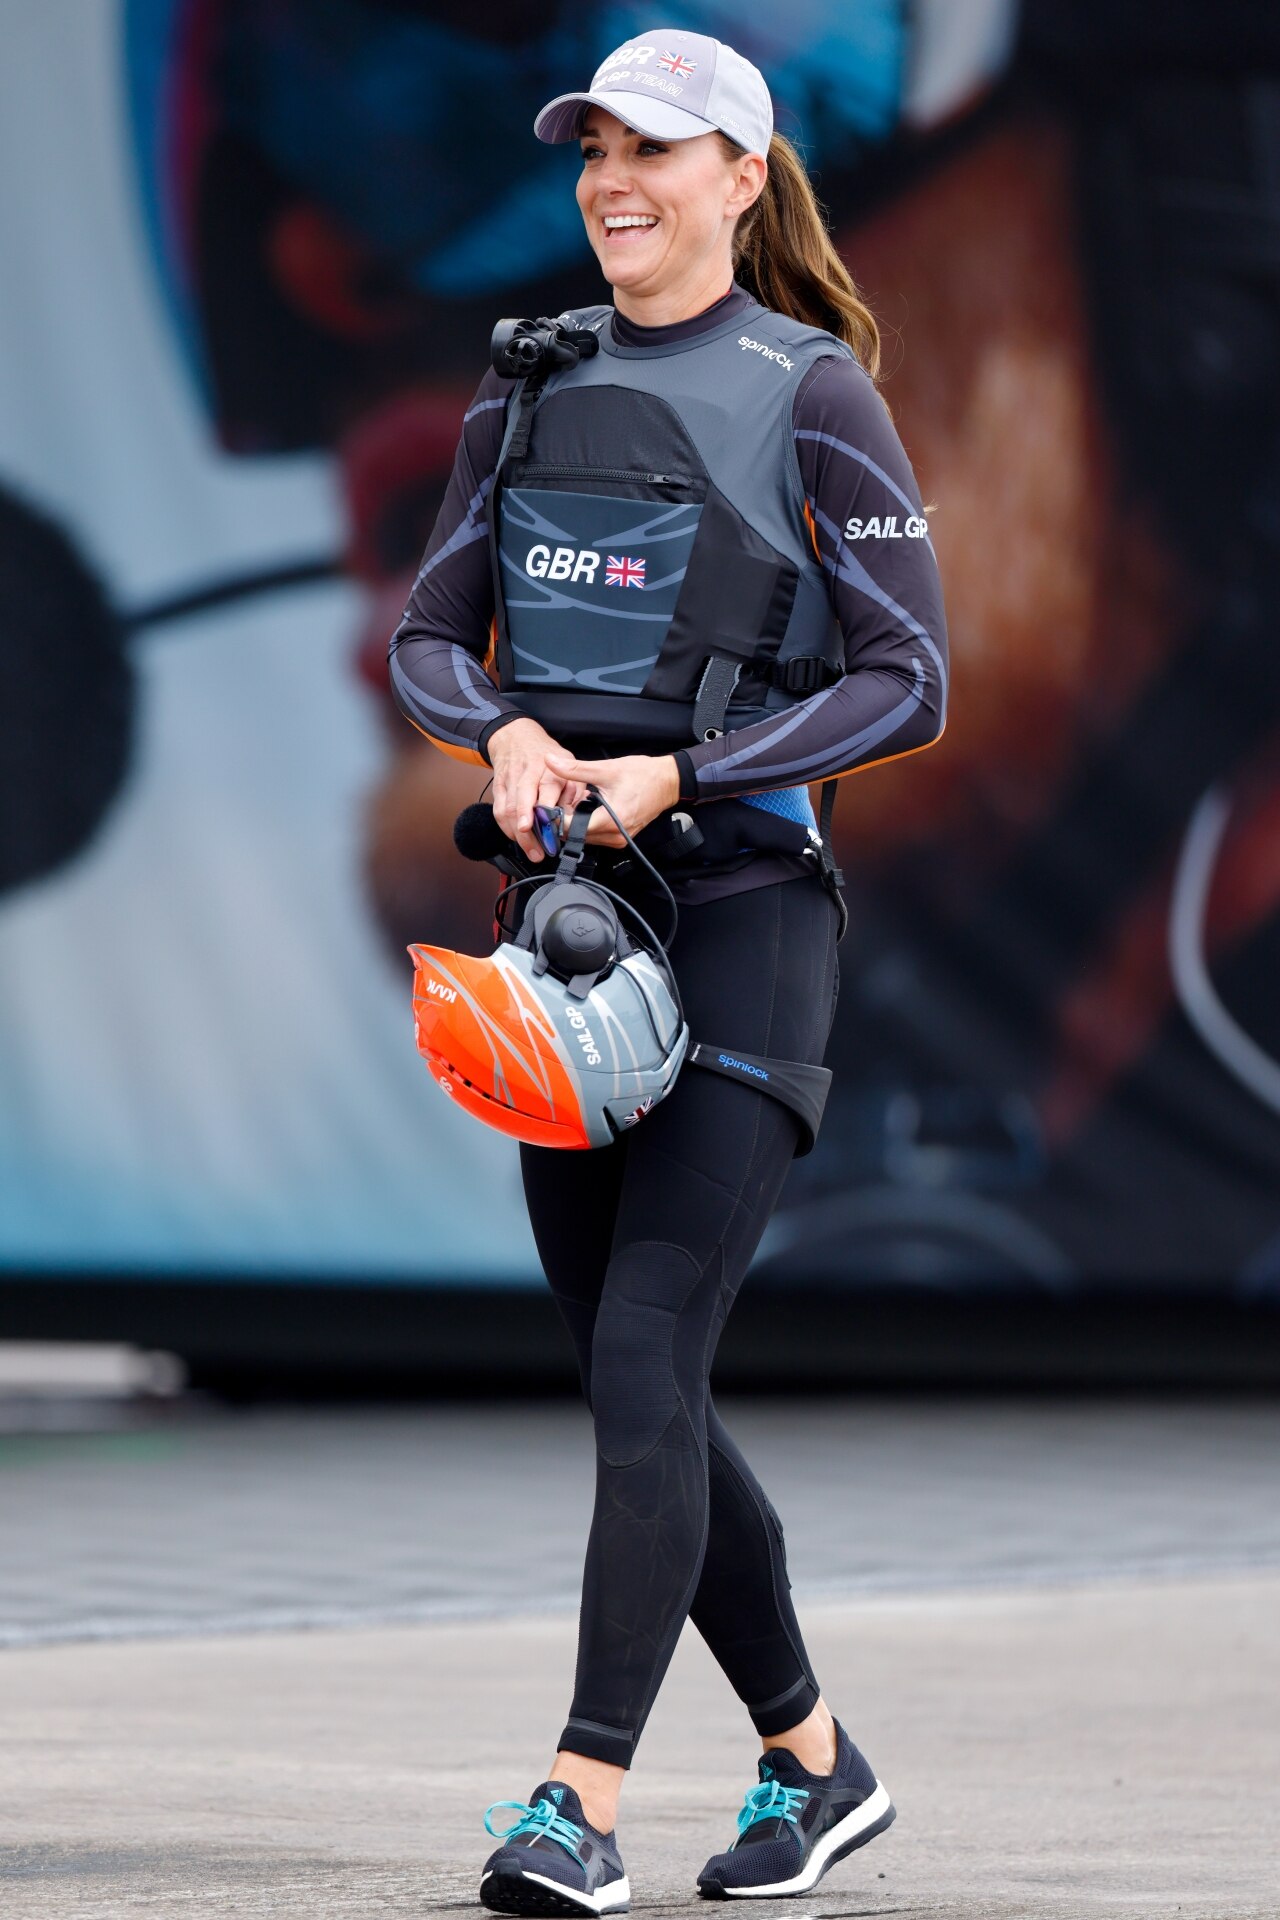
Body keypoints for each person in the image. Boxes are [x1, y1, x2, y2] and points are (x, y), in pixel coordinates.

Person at [388, 27, 948, 1911]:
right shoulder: (526, 375)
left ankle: (579, 1807)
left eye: (658, 149)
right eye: (595, 147)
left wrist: (686, 769)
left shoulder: (816, 392)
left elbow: (909, 680)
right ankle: (816, 1763)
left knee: (645, 1352)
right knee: (651, 1390)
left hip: (746, 927)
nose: (614, 178)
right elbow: (427, 637)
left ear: (742, 179)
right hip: (564, 947)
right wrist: (509, 742)